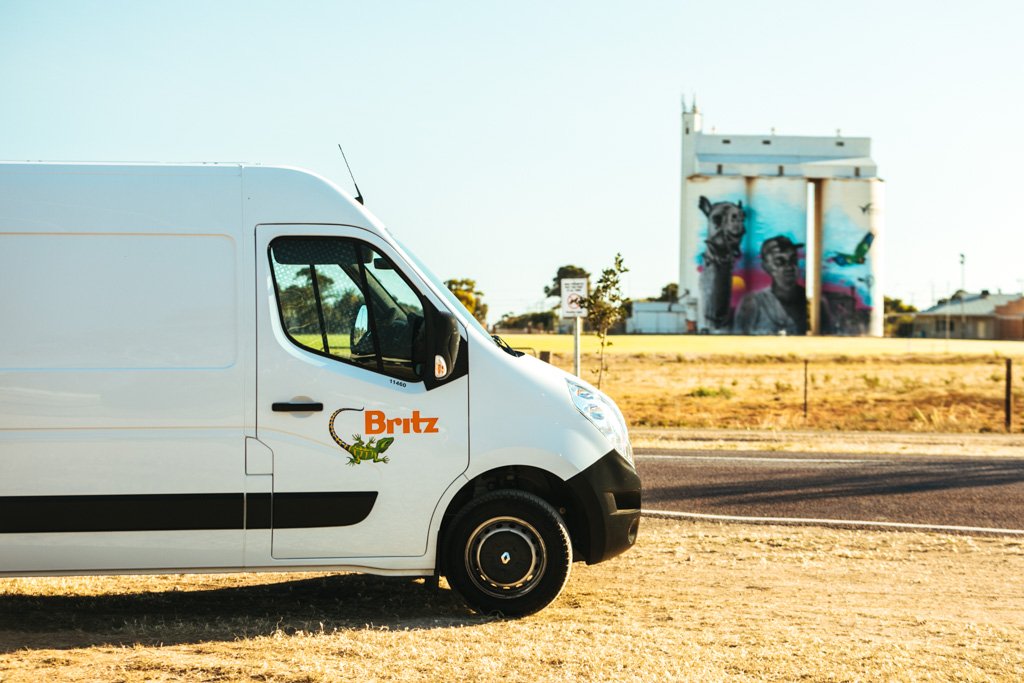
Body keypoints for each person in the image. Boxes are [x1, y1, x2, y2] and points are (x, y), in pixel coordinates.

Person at [733, 235, 807, 335]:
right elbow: (737, 345)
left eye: (793, 260)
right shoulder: (753, 303)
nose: (789, 267)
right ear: (766, 267)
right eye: (779, 262)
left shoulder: (814, 303)